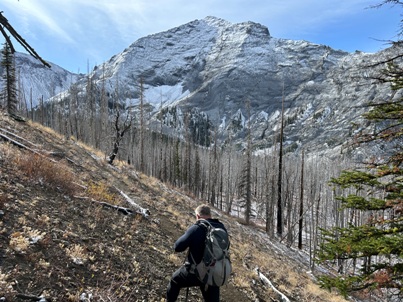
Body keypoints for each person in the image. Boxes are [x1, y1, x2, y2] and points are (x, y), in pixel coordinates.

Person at [166, 204, 228, 302]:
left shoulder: (196, 227)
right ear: (210, 215)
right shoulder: (221, 227)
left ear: (198, 216)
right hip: (215, 272)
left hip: (195, 273)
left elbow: (177, 247)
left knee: (174, 280)